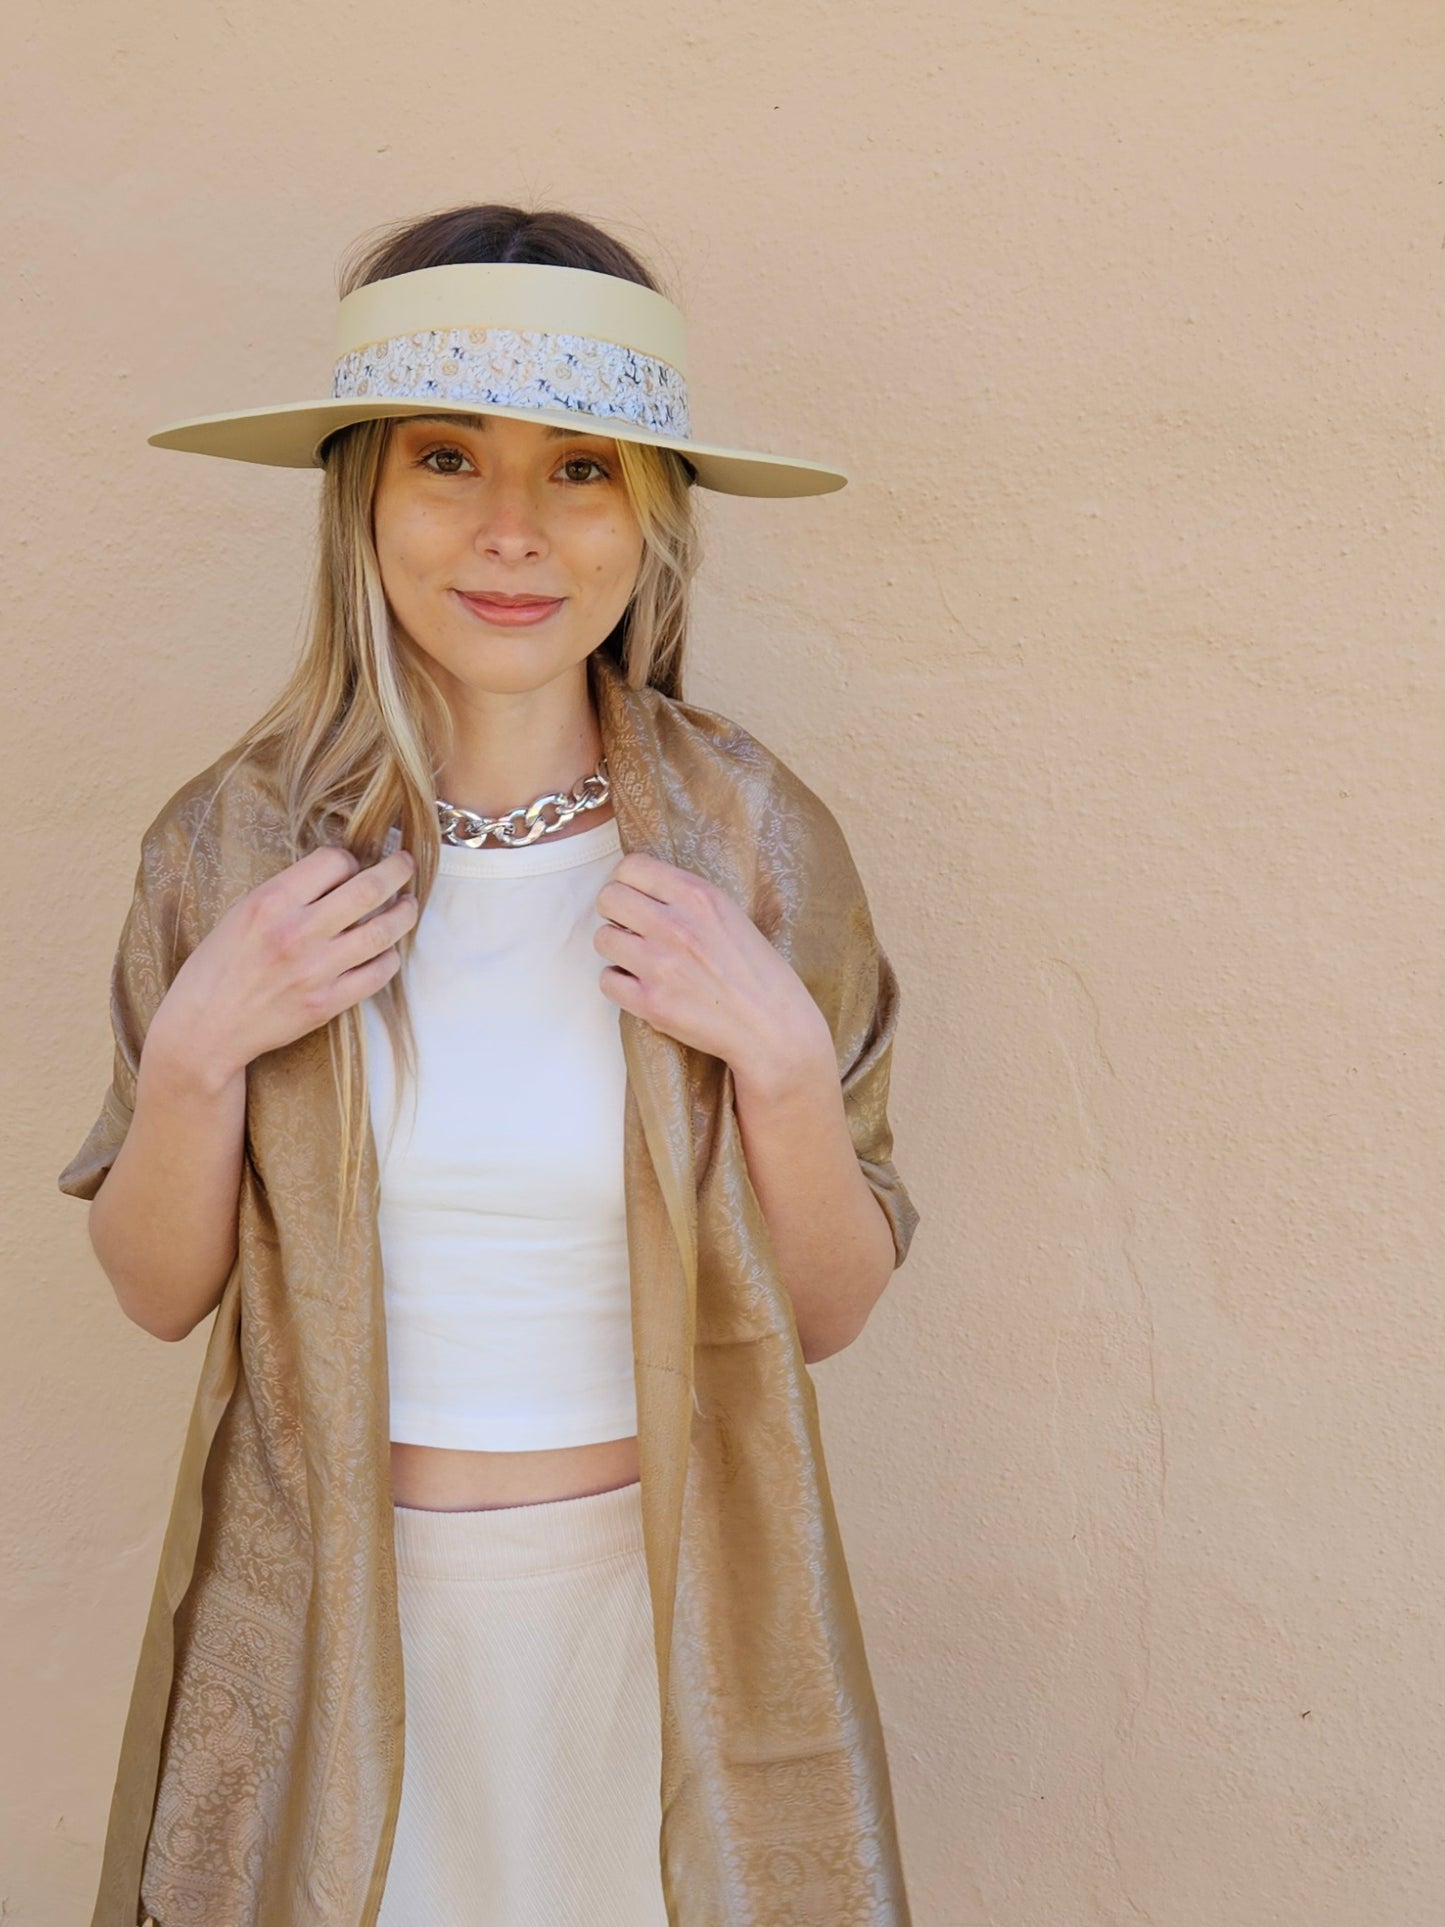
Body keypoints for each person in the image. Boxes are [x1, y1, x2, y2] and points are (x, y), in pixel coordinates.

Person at [59, 202, 921, 1926]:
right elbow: (162, 1293)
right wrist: (198, 1060)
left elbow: (827, 1306)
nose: (514, 531)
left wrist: (775, 1062)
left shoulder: (751, 844)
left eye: (584, 468)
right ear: (362, 495)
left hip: (661, 1620)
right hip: (335, 1621)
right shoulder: (231, 850)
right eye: (450, 457)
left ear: (652, 515)